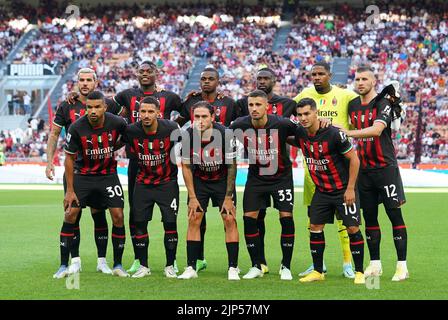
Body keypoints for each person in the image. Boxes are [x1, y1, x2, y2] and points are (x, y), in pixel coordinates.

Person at [48, 68, 122, 277]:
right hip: (77, 170)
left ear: (96, 82)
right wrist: (49, 161)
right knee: (74, 214)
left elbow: (126, 114)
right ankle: (75, 261)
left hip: (102, 170)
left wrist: (110, 147)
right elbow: (54, 134)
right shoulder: (67, 105)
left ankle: (102, 261)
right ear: (77, 82)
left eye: (89, 80)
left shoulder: (109, 103)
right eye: (81, 80)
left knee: (100, 215)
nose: (85, 83)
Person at [342, 66, 409, 281]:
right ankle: (375, 264)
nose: (360, 82)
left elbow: (377, 130)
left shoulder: (383, 103)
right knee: (369, 217)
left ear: (374, 81)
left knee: (394, 215)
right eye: (357, 79)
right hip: (364, 170)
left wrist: (348, 133)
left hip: (385, 168)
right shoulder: (352, 105)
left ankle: (402, 266)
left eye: (364, 79)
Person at [293, 62, 358, 278]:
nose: (317, 77)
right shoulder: (304, 97)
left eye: (321, 74)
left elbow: (363, 105)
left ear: (329, 75)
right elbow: (286, 112)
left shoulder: (346, 95)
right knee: (314, 223)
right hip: (316, 180)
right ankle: (318, 268)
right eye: (314, 74)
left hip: (340, 178)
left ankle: (350, 264)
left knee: (349, 225)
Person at [229, 90, 297, 280]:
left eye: (258, 105)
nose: (254, 109)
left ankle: (286, 266)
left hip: (281, 177)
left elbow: (305, 134)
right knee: (249, 219)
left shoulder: (282, 123)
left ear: (267, 106)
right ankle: (256, 265)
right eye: (251, 105)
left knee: (286, 218)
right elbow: (222, 137)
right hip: (256, 178)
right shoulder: (239, 125)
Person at [179, 66, 239, 272]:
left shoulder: (225, 134)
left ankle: (233, 268)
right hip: (200, 180)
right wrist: (192, 196)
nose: (200, 120)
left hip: (222, 180)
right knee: (194, 218)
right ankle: (190, 268)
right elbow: (186, 167)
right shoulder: (187, 135)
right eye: (197, 117)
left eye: (204, 117)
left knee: (229, 218)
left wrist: (229, 196)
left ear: (213, 117)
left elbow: (232, 166)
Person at [122, 96, 180, 279]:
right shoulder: (131, 130)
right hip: (142, 184)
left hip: (167, 184)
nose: (146, 115)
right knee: (139, 224)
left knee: (170, 224)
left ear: (158, 113)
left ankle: (170, 265)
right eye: (143, 112)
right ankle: (143, 265)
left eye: (150, 112)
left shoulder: (171, 128)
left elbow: (184, 148)